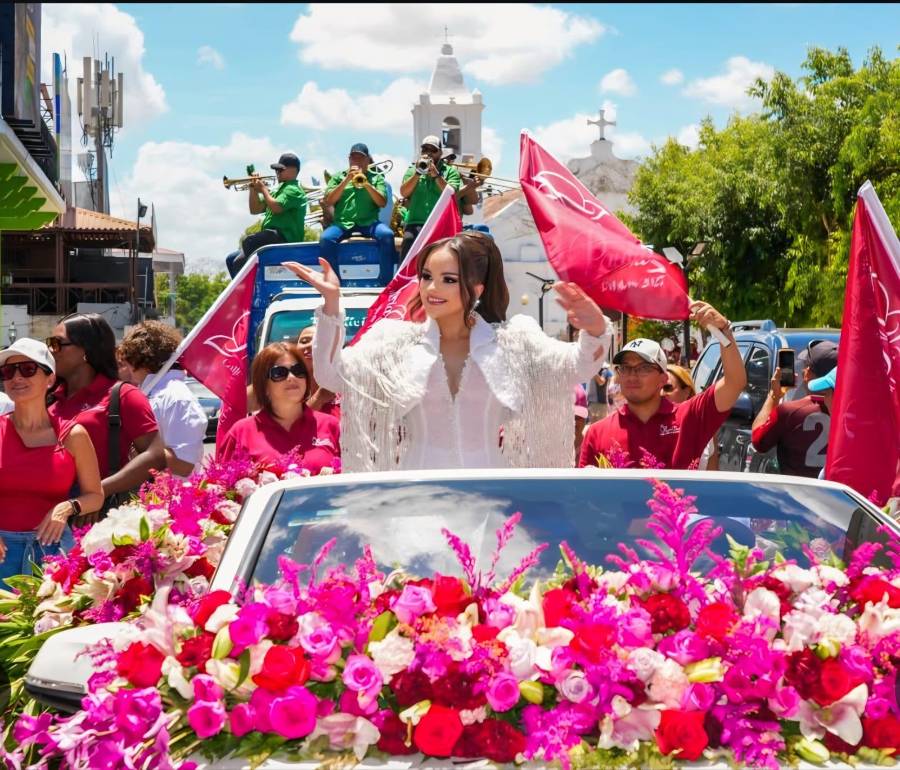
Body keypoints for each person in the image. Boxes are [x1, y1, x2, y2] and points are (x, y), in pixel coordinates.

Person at [282, 231, 612, 472]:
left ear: (477, 289)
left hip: (492, 498)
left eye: (448, 279)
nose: (431, 288)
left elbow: (577, 366)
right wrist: (331, 305)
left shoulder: (514, 341)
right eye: (426, 277)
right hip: (416, 498)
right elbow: (331, 374)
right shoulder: (394, 343)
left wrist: (596, 328)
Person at [579, 313, 745, 470]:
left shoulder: (690, 416)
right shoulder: (596, 433)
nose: (632, 375)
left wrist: (724, 332)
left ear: (663, 379)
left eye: (643, 368)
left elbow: (734, 383)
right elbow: (582, 495)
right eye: (625, 368)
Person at [0, 339, 103, 584]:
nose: (16, 377)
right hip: (2, 553)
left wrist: (65, 508)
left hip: (54, 551)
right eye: (8, 371)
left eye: (27, 369)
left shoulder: (72, 435)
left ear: (50, 379)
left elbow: (95, 495)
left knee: (54, 623)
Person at [46, 313, 165, 511]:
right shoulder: (49, 398)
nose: (51, 351)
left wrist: (97, 492)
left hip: (100, 518)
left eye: (57, 343)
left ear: (86, 349)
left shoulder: (123, 395)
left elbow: (157, 454)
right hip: (48, 515)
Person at [218, 342, 340, 472]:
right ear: (264, 385)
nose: (292, 377)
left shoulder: (332, 426)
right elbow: (225, 486)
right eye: (279, 373)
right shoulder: (240, 433)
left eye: (298, 370)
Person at [116, 321, 208, 477]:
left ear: (141, 359)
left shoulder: (177, 397)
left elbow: (185, 464)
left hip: (171, 497)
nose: (125, 369)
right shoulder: (154, 393)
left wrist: (138, 448)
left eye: (126, 362)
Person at [750, 341, 838, 478]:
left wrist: (774, 395)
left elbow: (758, 442)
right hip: (839, 497)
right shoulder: (852, 416)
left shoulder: (788, 412)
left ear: (807, 373)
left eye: (804, 366)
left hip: (795, 496)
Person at [225, 153, 308, 278]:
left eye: (280, 169)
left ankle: (245, 293)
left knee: (248, 244)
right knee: (230, 259)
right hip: (272, 235)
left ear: (293, 170)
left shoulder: (293, 189)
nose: (277, 172)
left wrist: (263, 189)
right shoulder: (278, 190)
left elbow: (276, 207)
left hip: (284, 238)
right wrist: (252, 188)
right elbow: (255, 209)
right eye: (276, 170)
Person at [320, 142, 395, 281]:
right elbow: (329, 201)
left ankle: (385, 282)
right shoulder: (338, 177)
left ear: (367, 160)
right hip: (343, 222)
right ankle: (334, 281)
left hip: (369, 222)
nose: (357, 161)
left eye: (360, 158)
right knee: (326, 238)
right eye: (353, 158)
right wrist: (346, 180)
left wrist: (366, 183)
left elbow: (382, 202)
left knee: (387, 235)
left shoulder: (376, 177)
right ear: (349, 159)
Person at [399, 136, 463, 261]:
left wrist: (436, 176)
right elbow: (404, 192)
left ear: (440, 153)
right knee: (407, 243)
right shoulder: (412, 170)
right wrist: (417, 173)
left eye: (432, 150)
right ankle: (403, 279)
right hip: (416, 222)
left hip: (441, 223)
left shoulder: (450, 172)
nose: (428, 153)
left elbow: (452, 193)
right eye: (425, 149)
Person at [664, 364, 719, 471]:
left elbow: (713, 479)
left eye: (668, 388)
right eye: (657, 388)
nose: (662, 393)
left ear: (687, 391)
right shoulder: (645, 425)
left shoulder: (704, 428)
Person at [296, 325, 341, 418]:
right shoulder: (284, 387)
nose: (311, 345)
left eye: (320, 341)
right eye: (304, 341)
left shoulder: (349, 390)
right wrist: (318, 399)